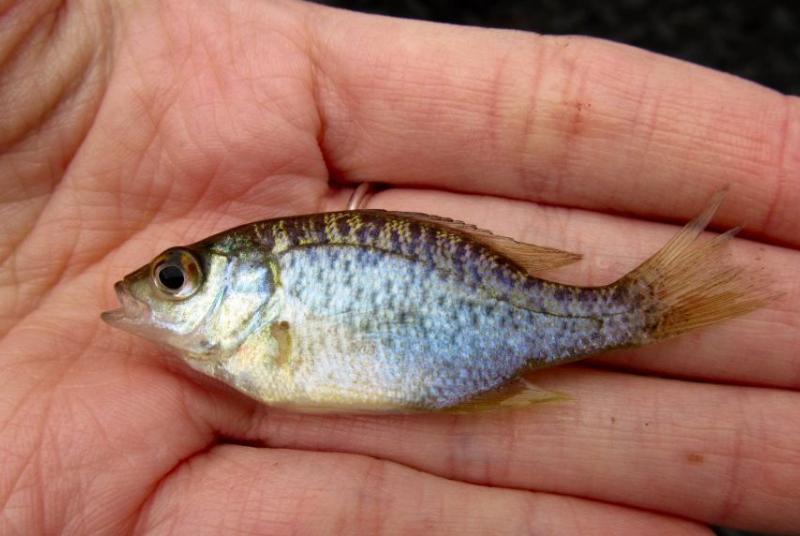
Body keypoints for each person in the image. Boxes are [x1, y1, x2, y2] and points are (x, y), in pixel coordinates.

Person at [1, 1, 797, 534]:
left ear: (248, 281)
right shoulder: (244, 345)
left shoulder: (256, 339)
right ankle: (639, 310)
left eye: (179, 279)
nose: (159, 290)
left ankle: (641, 310)